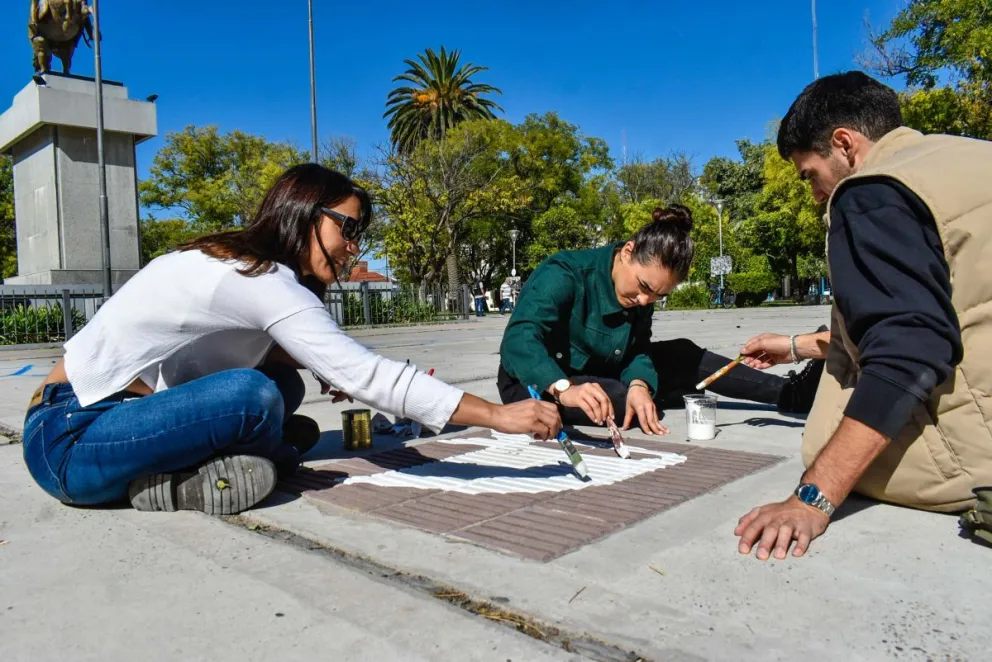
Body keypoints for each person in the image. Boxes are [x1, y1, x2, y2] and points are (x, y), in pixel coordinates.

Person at [21, 165, 561, 516]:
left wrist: (321, 367)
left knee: (284, 389)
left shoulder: (244, 265)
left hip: (111, 422)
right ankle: (201, 476)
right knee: (252, 397)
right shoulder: (257, 277)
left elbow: (219, 361)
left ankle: (221, 465)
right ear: (303, 212)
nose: (353, 247)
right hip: (70, 441)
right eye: (347, 228)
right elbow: (364, 374)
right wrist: (497, 415)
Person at [734, 71, 992, 560]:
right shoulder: (969, 158)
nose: (816, 196)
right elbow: (958, 312)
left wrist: (813, 496)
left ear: (844, 144)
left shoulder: (871, 191)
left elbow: (909, 349)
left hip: (967, 461)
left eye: (810, 175)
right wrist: (795, 346)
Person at [497, 206, 819, 435]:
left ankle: (789, 393)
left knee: (684, 355)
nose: (644, 300)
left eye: (657, 296)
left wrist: (639, 383)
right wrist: (563, 387)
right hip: (537, 382)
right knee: (619, 401)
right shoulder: (565, 273)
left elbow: (638, 349)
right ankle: (662, 393)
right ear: (627, 252)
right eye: (643, 287)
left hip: (604, 370)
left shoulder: (643, 297)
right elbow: (519, 339)